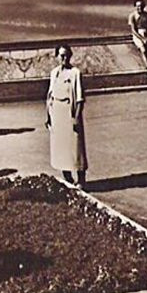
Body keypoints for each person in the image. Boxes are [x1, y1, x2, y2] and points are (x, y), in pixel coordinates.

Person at [45, 44, 86, 187]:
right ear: (56, 57)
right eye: (61, 55)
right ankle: (67, 179)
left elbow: (80, 98)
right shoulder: (54, 73)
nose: (64, 58)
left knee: (76, 146)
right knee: (60, 147)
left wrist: (75, 117)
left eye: (67, 55)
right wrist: (48, 117)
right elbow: (49, 96)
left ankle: (81, 179)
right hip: (57, 114)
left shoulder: (75, 73)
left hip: (70, 113)